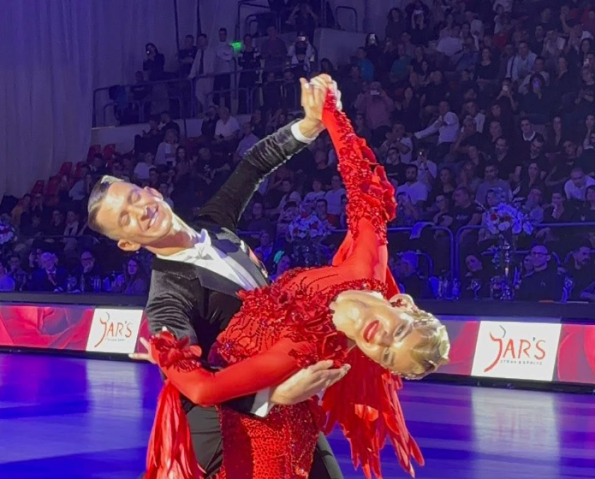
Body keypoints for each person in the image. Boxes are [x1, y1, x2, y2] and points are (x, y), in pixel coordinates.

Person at [140, 87, 449, 478]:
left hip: (264, 438)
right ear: (403, 303)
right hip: (244, 420)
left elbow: (204, 389)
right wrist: (329, 111)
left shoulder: (304, 348)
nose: (382, 340)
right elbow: (362, 182)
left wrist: (170, 360)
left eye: (386, 356)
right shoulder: (367, 266)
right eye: (399, 331)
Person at [87, 75, 349, 478]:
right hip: (236, 434)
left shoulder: (216, 224)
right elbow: (196, 385)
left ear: (153, 191)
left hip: (295, 403)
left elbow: (254, 164)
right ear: (127, 244)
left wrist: (310, 124)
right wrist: (272, 395)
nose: (139, 211)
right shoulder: (167, 300)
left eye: (135, 198)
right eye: (125, 219)